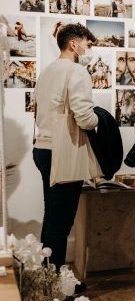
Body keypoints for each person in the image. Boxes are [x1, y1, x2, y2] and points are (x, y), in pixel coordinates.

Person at [33, 23, 100, 271]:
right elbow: (84, 116)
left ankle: (46, 275)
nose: (87, 48)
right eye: (86, 43)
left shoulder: (47, 71)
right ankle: (57, 285)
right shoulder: (76, 71)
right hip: (63, 150)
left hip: (42, 148)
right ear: (73, 44)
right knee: (61, 223)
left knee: (51, 215)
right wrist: (99, 120)